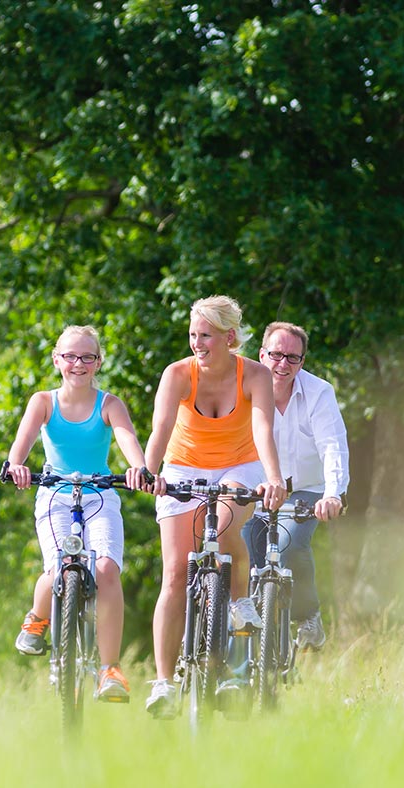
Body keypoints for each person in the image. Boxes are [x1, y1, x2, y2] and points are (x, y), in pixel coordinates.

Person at [141, 296, 287, 718]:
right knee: (174, 572)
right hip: (184, 464)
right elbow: (162, 428)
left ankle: (239, 601)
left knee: (224, 530)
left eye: (205, 335)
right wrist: (148, 472)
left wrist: (274, 478)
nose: (197, 343)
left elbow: (262, 429)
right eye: (192, 335)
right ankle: (165, 682)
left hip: (239, 465)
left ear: (229, 337)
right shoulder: (177, 374)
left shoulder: (255, 375)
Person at [4, 325, 151, 703]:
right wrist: (16, 465)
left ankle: (109, 669)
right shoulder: (44, 402)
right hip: (55, 494)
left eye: (87, 357)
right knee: (55, 568)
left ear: (98, 362)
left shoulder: (109, 404)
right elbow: (22, 441)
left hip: (100, 495)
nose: (78, 364)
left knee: (105, 569)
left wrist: (139, 467)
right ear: (57, 360)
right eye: (70, 356)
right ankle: (38, 618)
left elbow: (126, 438)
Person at [251, 321, 349, 650]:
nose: (283, 364)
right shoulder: (243, 388)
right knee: (245, 549)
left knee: (291, 543)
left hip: (308, 488)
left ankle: (308, 616)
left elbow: (332, 446)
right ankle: (251, 640)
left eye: (293, 358)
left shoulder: (319, 393)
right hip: (258, 489)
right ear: (262, 354)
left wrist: (333, 494)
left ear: (302, 362)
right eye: (276, 355)